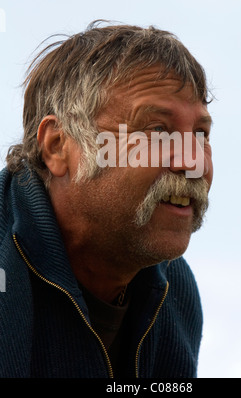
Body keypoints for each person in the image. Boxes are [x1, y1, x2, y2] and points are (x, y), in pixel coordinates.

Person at [0, 21, 213, 378]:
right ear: (58, 146)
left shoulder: (172, 288)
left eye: (201, 134)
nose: (192, 162)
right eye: (157, 131)